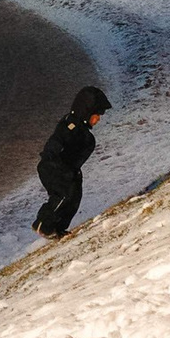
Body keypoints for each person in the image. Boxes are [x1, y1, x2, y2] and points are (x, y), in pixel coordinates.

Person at [32, 85, 111, 238]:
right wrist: (55, 161)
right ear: (87, 112)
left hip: (66, 170)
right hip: (52, 166)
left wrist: (73, 171)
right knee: (62, 195)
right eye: (97, 114)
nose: (98, 119)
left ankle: (58, 227)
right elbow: (56, 143)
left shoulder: (81, 130)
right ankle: (43, 224)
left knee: (74, 196)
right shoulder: (70, 126)